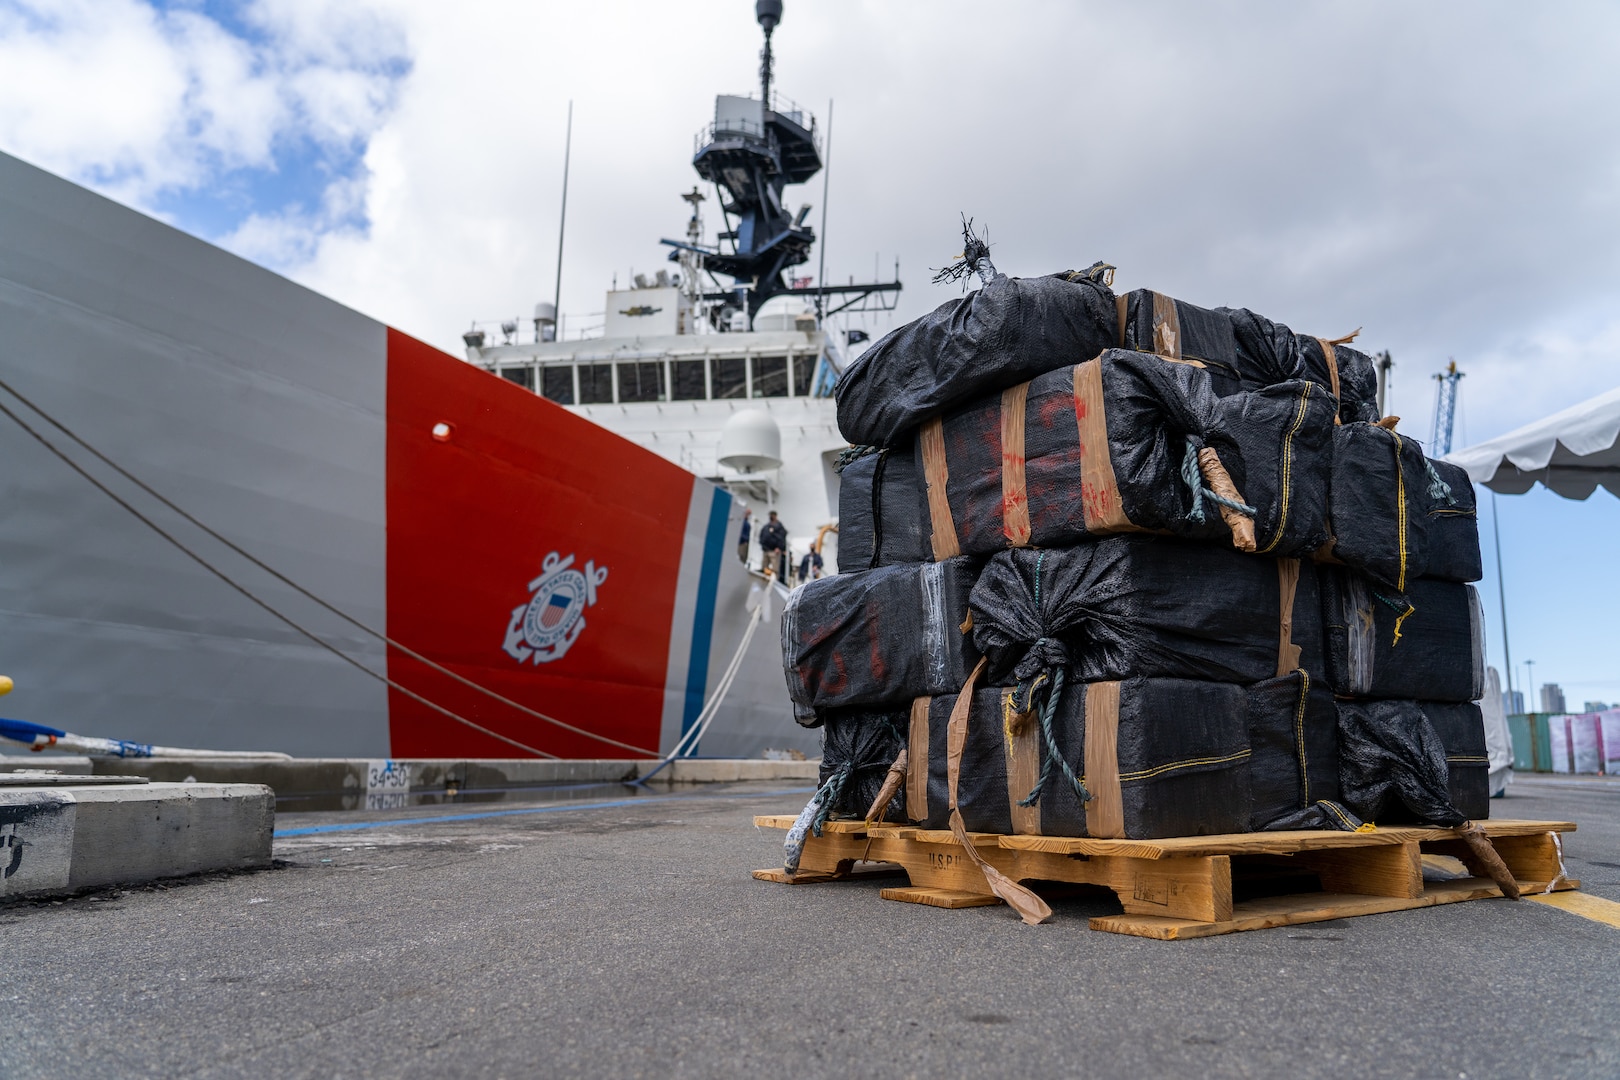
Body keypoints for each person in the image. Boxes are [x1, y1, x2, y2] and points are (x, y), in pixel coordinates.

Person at [758, 510, 787, 580]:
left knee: (775, 569)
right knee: (764, 567)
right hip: (766, 549)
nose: (771, 516)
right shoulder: (766, 526)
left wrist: (779, 548)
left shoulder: (779, 527)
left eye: (772, 515)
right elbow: (762, 535)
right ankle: (764, 579)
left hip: (774, 551)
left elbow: (782, 538)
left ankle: (774, 581)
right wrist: (762, 545)